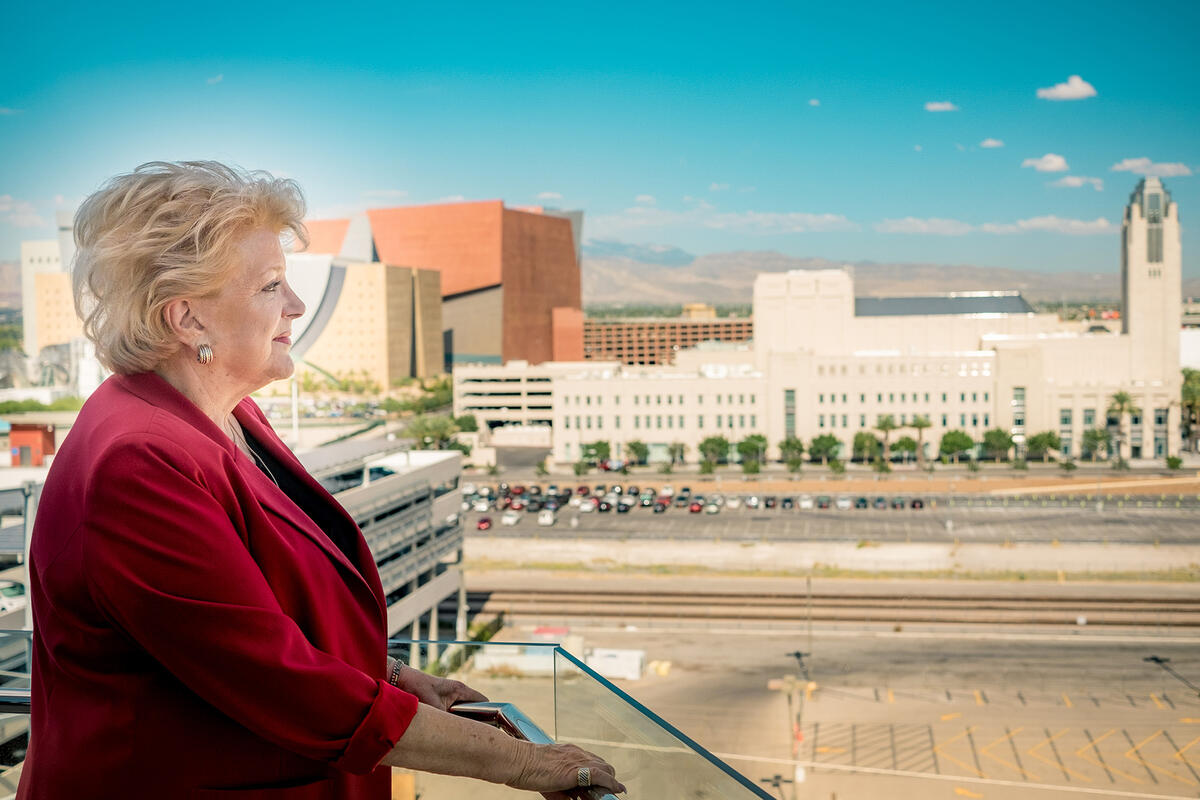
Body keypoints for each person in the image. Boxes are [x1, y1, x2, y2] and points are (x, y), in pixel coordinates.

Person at [19, 161, 625, 799]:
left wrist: (388, 674)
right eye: (270, 287)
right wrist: (525, 764)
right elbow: (277, 679)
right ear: (187, 319)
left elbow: (262, 621)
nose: (298, 306)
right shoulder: (137, 462)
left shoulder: (225, 415)